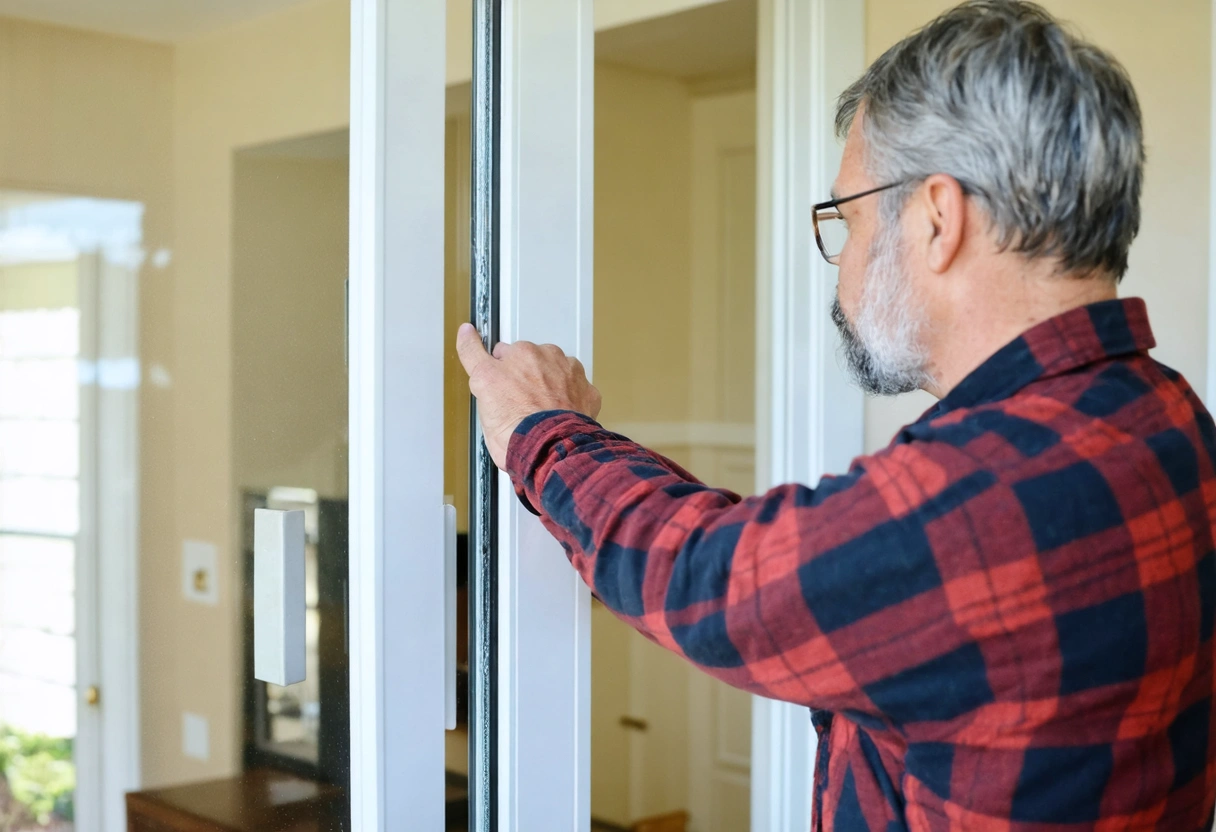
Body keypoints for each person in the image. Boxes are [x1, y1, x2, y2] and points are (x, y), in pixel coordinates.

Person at [456, 1, 1216, 828]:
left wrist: (543, 432)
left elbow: (715, 584)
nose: (844, 261)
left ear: (937, 218)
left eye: (849, 219)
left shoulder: (986, 491)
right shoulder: (1170, 418)